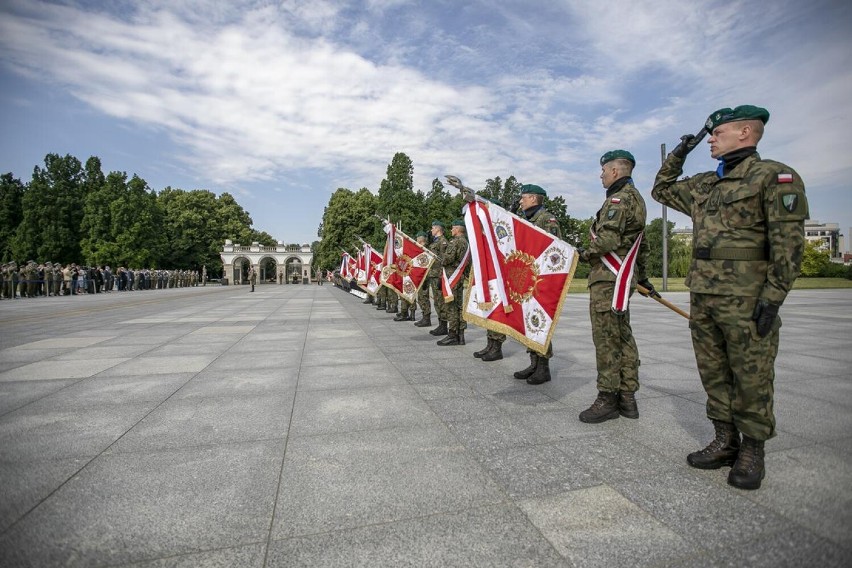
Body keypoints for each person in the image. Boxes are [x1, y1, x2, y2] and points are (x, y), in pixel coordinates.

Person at [652, 105, 808, 490]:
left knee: (752, 374)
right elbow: (661, 189)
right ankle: (724, 440)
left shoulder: (773, 176)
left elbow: (789, 246)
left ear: (744, 132)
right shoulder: (704, 183)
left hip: (747, 297)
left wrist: (772, 299)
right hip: (703, 295)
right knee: (713, 371)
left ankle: (753, 449)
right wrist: (678, 154)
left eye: (716, 133)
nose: (710, 139)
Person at [577, 150, 651, 423]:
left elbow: (606, 242)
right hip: (623, 276)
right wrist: (642, 276)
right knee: (623, 336)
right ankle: (628, 397)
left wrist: (582, 254)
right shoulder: (638, 199)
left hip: (609, 278)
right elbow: (642, 245)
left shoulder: (618, 200)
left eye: (604, 170)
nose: (601, 175)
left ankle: (607, 398)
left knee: (607, 338)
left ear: (616, 171)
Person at [511, 184, 561, 385]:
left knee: (540, 322)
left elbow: (554, 251)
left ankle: (544, 367)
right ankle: (534, 362)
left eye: (523, 198)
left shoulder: (547, 220)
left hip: (541, 281)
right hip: (526, 281)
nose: (521, 201)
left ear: (533, 198)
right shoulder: (527, 220)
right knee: (528, 322)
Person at [437, 219, 469, 346]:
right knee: (459, 307)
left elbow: (447, 259)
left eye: (452, 228)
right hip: (460, 276)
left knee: (451, 306)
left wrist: (440, 258)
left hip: (452, 277)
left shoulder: (455, 242)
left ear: (457, 229)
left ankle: (452, 334)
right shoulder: (466, 242)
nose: (451, 230)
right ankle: (461, 335)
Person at [426, 221, 450, 336]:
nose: (431, 230)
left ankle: (444, 325)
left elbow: (444, 261)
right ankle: (441, 324)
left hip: (439, 275)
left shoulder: (443, 242)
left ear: (438, 229)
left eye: (432, 228)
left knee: (441, 301)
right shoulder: (435, 242)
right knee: (436, 301)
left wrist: (442, 276)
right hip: (433, 274)